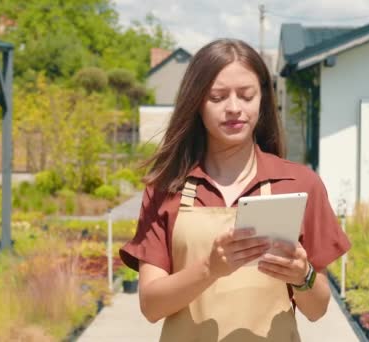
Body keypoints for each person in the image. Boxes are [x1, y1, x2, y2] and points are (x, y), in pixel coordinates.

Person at [119, 38, 351, 342]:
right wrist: (209, 269)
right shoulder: (166, 188)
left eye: (246, 95)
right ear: (196, 103)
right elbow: (150, 306)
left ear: (263, 101)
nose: (233, 108)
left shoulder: (300, 185)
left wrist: (302, 275)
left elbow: (318, 309)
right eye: (217, 97)